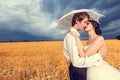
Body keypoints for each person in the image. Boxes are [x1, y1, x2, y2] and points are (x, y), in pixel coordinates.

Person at [63, 12, 105, 80]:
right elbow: (76, 61)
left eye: (87, 23)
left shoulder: (75, 36)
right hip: (78, 70)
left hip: (83, 69)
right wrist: (98, 56)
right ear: (77, 21)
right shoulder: (71, 36)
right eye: (85, 22)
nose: (85, 25)